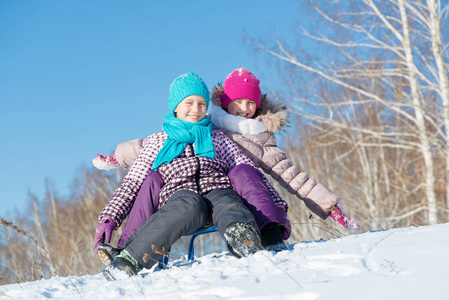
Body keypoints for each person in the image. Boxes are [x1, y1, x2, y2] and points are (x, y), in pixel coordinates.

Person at [94, 67, 360, 234]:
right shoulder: (204, 124)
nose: (244, 108)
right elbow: (148, 147)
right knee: (155, 179)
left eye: (250, 102)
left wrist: (330, 206)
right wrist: (117, 157)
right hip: (192, 195)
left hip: (235, 200)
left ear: (258, 106)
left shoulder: (258, 138)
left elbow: (291, 175)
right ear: (224, 102)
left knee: (244, 175)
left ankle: (268, 232)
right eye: (238, 101)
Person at [97, 72, 288, 280]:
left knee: (229, 203)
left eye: (201, 104)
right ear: (176, 106)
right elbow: (133, 182)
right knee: (189, 205)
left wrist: (276, 205)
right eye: (189, 103)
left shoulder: (217, 137)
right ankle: (129, 259)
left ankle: (242, 236)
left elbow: (249, 170)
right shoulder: (158, 141)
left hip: (217, 188)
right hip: (180, 195)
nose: (196, 110)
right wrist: (110, 218)